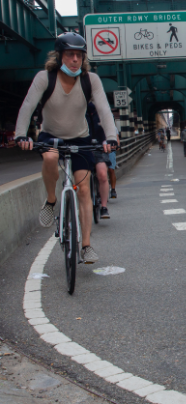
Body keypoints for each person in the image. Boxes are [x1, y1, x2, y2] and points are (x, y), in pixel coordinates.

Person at [14, 32, 117, 264]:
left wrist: (111, 137)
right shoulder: (45, 78)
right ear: (60, 56)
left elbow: (104, 110)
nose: (75, 59)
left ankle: (87, 245)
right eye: (70, 54)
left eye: (79, 55)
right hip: (51, 136)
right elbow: (28, 105)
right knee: (50, 158)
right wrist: (21, 134)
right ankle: (51, 201)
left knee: (83, 189)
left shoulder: (90, 80)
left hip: (80, 138)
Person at [87, 102, 111, 219]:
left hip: (100, 146)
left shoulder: (103, 110)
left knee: (102, 174)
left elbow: (109, 126)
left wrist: (111, 140)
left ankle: (103, 206)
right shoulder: (77, 109)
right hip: (83, 147)